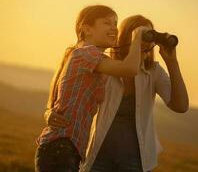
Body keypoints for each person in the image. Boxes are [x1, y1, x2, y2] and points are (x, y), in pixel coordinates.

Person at [46, 15, 189, 172]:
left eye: (148, 34)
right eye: (138, 35)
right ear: (125, 37)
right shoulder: (106, 66)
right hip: (97, 156)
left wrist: (172, 62)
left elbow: (181, 106)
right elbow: (68, 87)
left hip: (137, 160)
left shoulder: (153, 71)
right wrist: (48, 112)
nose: (144, 39)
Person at [35, 5, 146, 172]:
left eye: (115, 23)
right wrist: (137, 38)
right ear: (87, 29)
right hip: (61, 147)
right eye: (106, 23)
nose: (113, 28)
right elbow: (129, 69)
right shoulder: (86, 54)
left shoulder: (87, 58)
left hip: (67, 148)